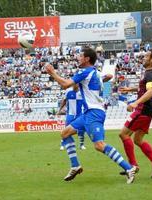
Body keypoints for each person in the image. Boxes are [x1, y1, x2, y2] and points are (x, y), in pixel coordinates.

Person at [45, 47, 137, 184]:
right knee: (65, 133)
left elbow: (65, 85)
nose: (78, 57)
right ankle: (75, 166)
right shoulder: (96, 72)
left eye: (80, 56)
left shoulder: (85, 71)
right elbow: (103, 79)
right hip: (89, 112)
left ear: (87, 59)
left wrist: (53, 72)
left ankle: (129, 168)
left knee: (99, 145)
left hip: (94, 113)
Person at [119, 49, 152, 178]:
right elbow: (144, 88)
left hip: (143, 109)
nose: (143, 58)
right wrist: (130, 89)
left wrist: (135, 103)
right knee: (138, 140)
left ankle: (133, 166)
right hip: (147, 110)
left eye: (146, 56)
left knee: (123, 134)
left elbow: (150, 92)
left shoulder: (151, 75)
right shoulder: (149, 73)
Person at [58, 84, 86, 151]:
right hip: (70, 114)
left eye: (76, 84)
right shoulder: (68, 91)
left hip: (79, 114)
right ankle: (63, 144)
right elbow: (64, 101)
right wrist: (60, 109)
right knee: (66, 130)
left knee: (81, 130)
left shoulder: (82, 92)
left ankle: (81, 145)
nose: (74, 85)